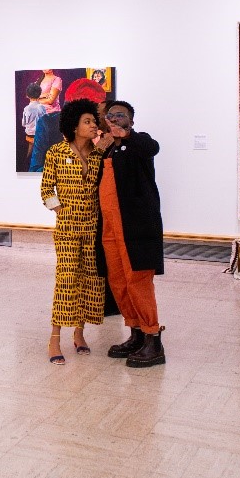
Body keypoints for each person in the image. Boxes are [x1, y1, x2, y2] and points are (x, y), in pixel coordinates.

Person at [40, 98, 113, 365]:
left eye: (94, 121)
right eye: (88, 121)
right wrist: (61, 211)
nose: (94, 125)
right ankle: (54, 338)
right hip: (68, 229)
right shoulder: (56, 152)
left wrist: (103, 148)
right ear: (74, 125)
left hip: (92, 228)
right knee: (67, 280)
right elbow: (46, 189)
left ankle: (79, 334)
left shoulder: (98, 155)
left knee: (90, 280)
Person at [96, 100, 167, 368]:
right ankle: (136, 334)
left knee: (138, 281)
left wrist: (126, 135)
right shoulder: (107, 149)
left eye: (120, 115)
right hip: (110, 229)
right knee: (118, 282)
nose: (114, 118)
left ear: (131, 121)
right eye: (110, 115)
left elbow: (152, 147)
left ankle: (153, 339)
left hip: (135, 228)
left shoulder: (139, 142)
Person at [22, 83, 46, 162]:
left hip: (30, 135)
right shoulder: (42, 107)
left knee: (30, 150)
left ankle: (26, 162)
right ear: (39, 94)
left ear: (27, 96)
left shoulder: (26, 108)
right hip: (40, 135)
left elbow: (23, 124)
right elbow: (45, 121)